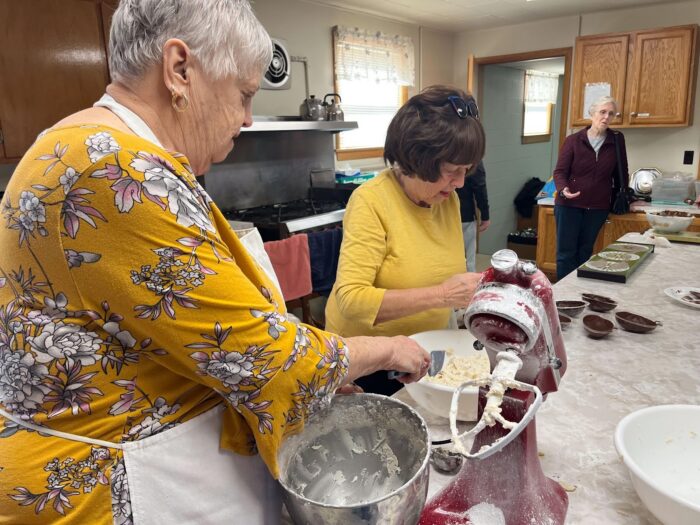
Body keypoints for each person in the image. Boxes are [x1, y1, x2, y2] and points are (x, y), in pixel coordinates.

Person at [0, 1, 431, 523]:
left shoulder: (86, 146)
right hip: (115, 489)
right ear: (179, 69)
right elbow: (266, 359)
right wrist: (387, 348)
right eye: (244, 94)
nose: (248, 118)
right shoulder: (115, 170)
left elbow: (196, 332)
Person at [324, 86, 485, 396]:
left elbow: (447, 285)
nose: (461, 182)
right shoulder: (371, 202)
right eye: (452, 171)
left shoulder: (446, 200)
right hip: (370, 363)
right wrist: (443, 295)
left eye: (467, 170)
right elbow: (351, 298)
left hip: (426, 352)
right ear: (417, 159)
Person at [552, 95, 629, 280]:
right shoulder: (573, 140)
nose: (606, 117)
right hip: (569, 206)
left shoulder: (616, 140)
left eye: (611, 114)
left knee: (585, 253)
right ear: (592, 114)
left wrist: (628, 198)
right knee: (565, 254)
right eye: (602, 112)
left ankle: (578, 292)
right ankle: (563, 295)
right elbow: (560, 171)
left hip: (597, 208)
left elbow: (622, 172)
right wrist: (564, 189)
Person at [455, 160, 490, 272]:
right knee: (468, 259)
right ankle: (469, 288)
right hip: (465, 214)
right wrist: (485, 216)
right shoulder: (473, 157)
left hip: (437, 214)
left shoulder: (441, 151)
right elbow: (479, 187)